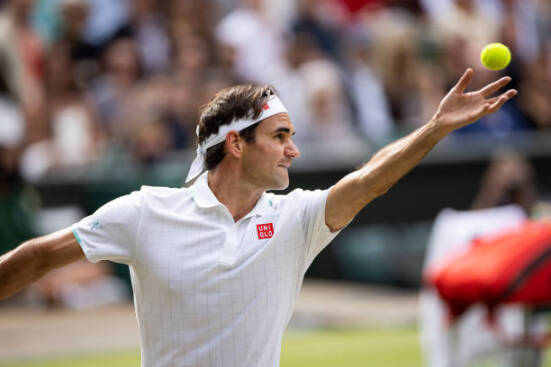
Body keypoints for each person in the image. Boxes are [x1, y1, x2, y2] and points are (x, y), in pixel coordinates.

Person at [0, 69, 516, 366]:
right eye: (280, 136)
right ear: (236, 144)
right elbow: (39, 255)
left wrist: (433, 129)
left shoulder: (296, 219)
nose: (293, 150)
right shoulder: (145, 212)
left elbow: (369, 181)